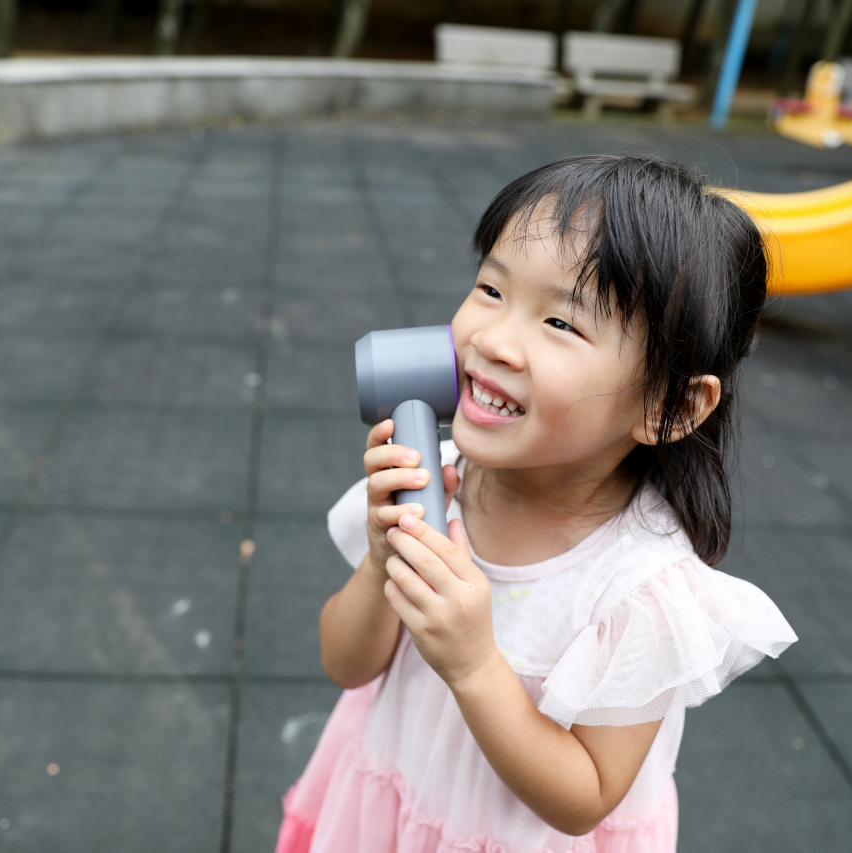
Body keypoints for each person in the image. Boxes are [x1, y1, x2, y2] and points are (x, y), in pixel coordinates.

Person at [276, 155, 798, 853]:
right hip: (387, 809)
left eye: (559, 321)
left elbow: (583, 798)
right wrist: (380, 564)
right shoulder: (438, 481)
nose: (490, 339)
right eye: (490, 288)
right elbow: (345, 665)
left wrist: (471, 663)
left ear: (668, 403)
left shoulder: (638, 590)